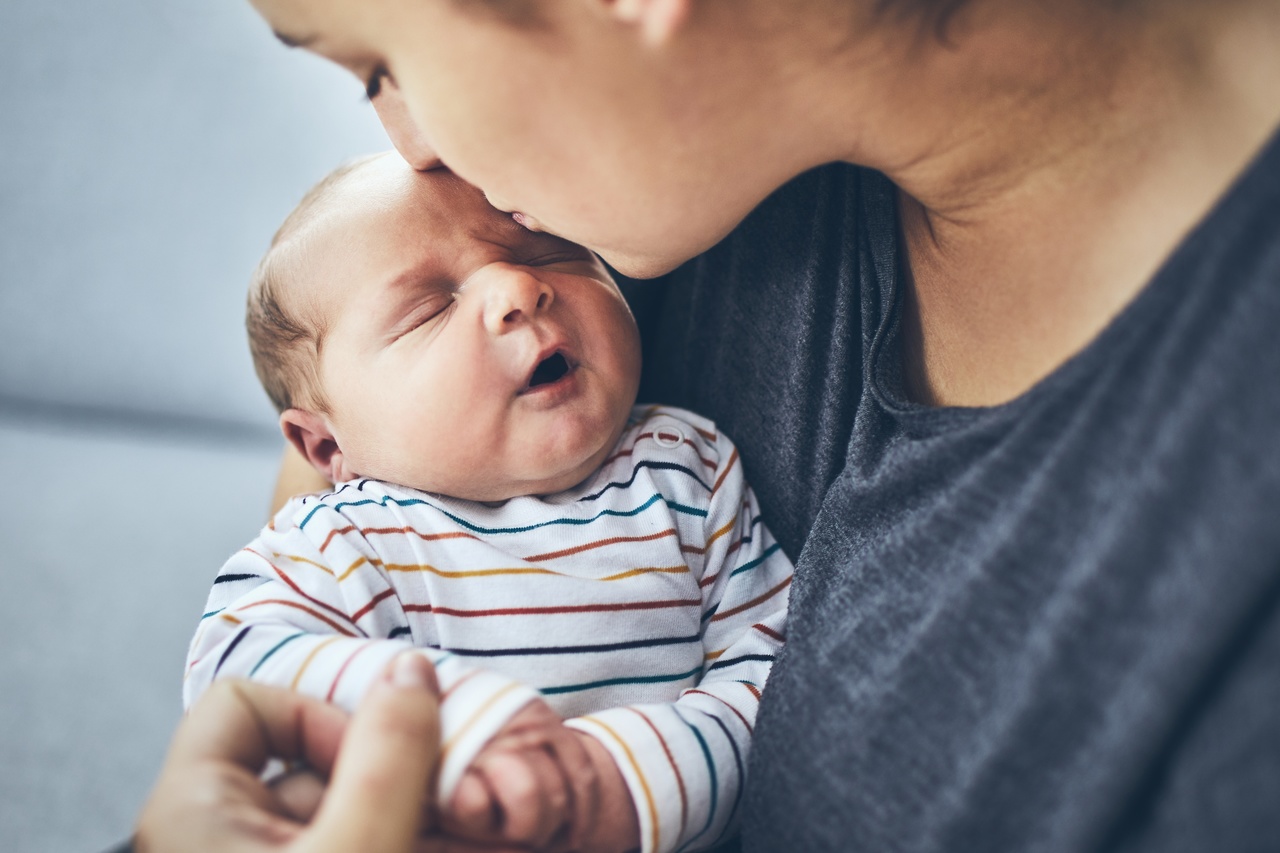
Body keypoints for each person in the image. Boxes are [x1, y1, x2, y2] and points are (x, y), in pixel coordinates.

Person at [138, 0, 1280, 850]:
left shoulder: (662, 407)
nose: (419, 159)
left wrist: (608, 781)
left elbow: (747, 665)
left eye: (384, 67)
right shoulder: (654, 180)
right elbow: (327, 524)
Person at [183, 151, 792, 853]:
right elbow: (233, 666)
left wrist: (627, 780)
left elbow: (778, 666)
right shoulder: (347, 538)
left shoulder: (692, 470)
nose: (520, 287)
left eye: (552, 251)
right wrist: (449, 715)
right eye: (430, 308)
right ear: (325, 449)